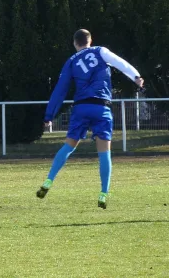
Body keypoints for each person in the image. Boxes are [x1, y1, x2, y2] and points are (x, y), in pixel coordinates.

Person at [37, 29, 143, 209]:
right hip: (101, 108)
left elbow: (60, 90)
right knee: (104, 153)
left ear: (74, 43)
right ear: (90, 40)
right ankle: (103, 192)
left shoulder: (71, 61)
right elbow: (119, 63)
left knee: (68, 146)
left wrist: (49, 115)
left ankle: (49, 180)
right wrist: (136, 76)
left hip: (81, 108)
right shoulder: (100, 51)